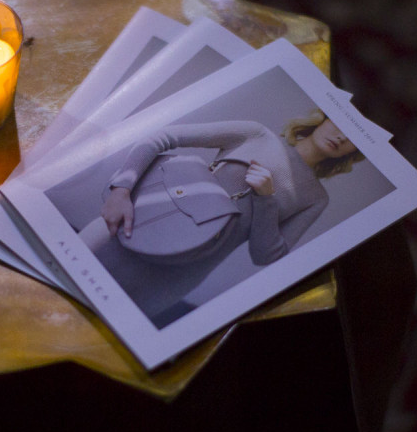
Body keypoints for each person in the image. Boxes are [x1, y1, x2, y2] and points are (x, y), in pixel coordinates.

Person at [78, 109, 363, 326]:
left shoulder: (315, 198)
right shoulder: (256, 135)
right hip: (128, 227)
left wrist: (266, 199)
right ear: (322, 118)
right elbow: (161, 137)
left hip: (173, 277)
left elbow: (267, 256)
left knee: (100, 334)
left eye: (353, 138)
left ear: (355, 152)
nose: (341, 136)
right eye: (340, 123)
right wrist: (121, 190)